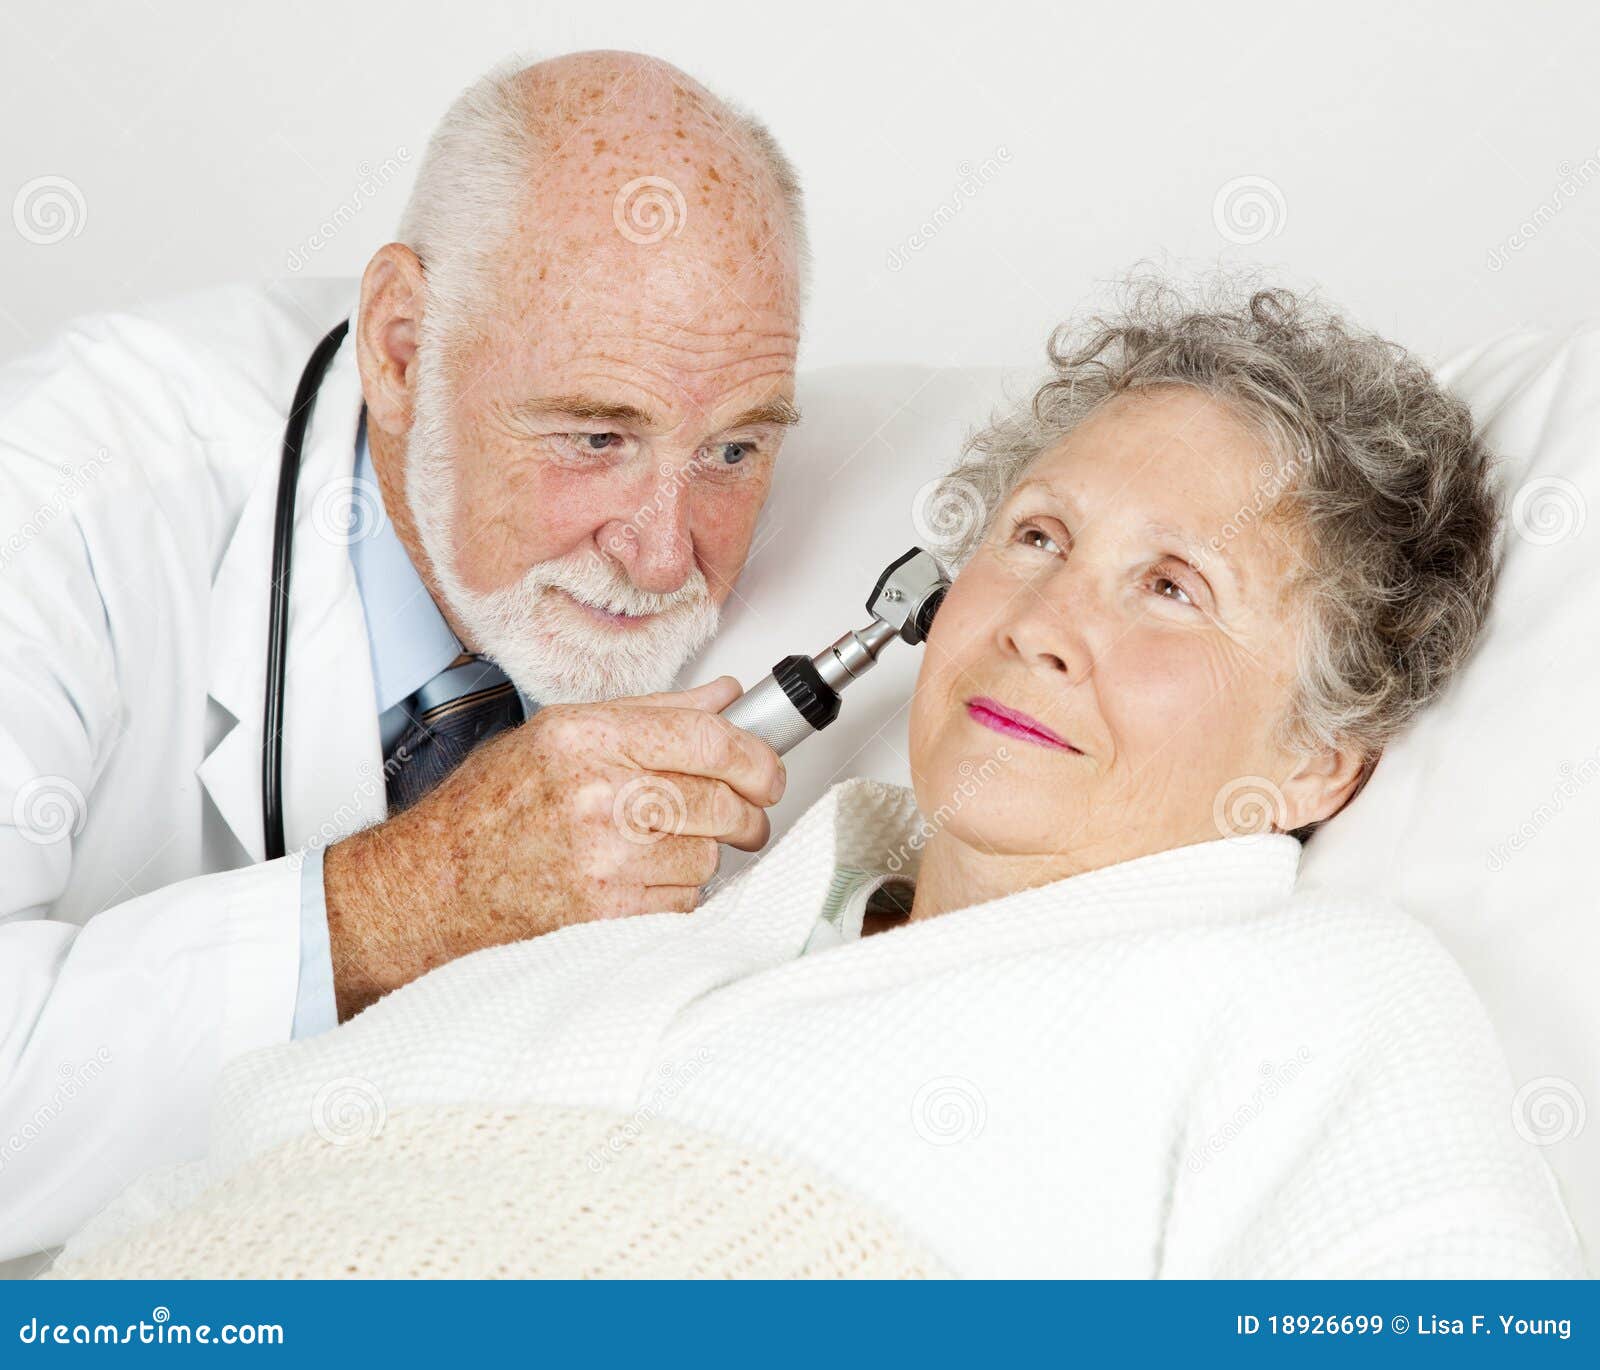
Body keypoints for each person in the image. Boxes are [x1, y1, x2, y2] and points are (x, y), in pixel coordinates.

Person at [50, 279, 1587, 1279]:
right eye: (1035, 537)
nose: (1047, 623)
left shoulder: (1317, 997)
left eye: (1171, 586)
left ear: (1318, 757)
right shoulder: (611, 957)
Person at [0, 50, 806, 1262]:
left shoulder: (832, 526)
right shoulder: (64, 496)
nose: (660, 555)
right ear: (399, 347)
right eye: (596, 435)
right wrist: (398, 903)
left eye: (735, 452)